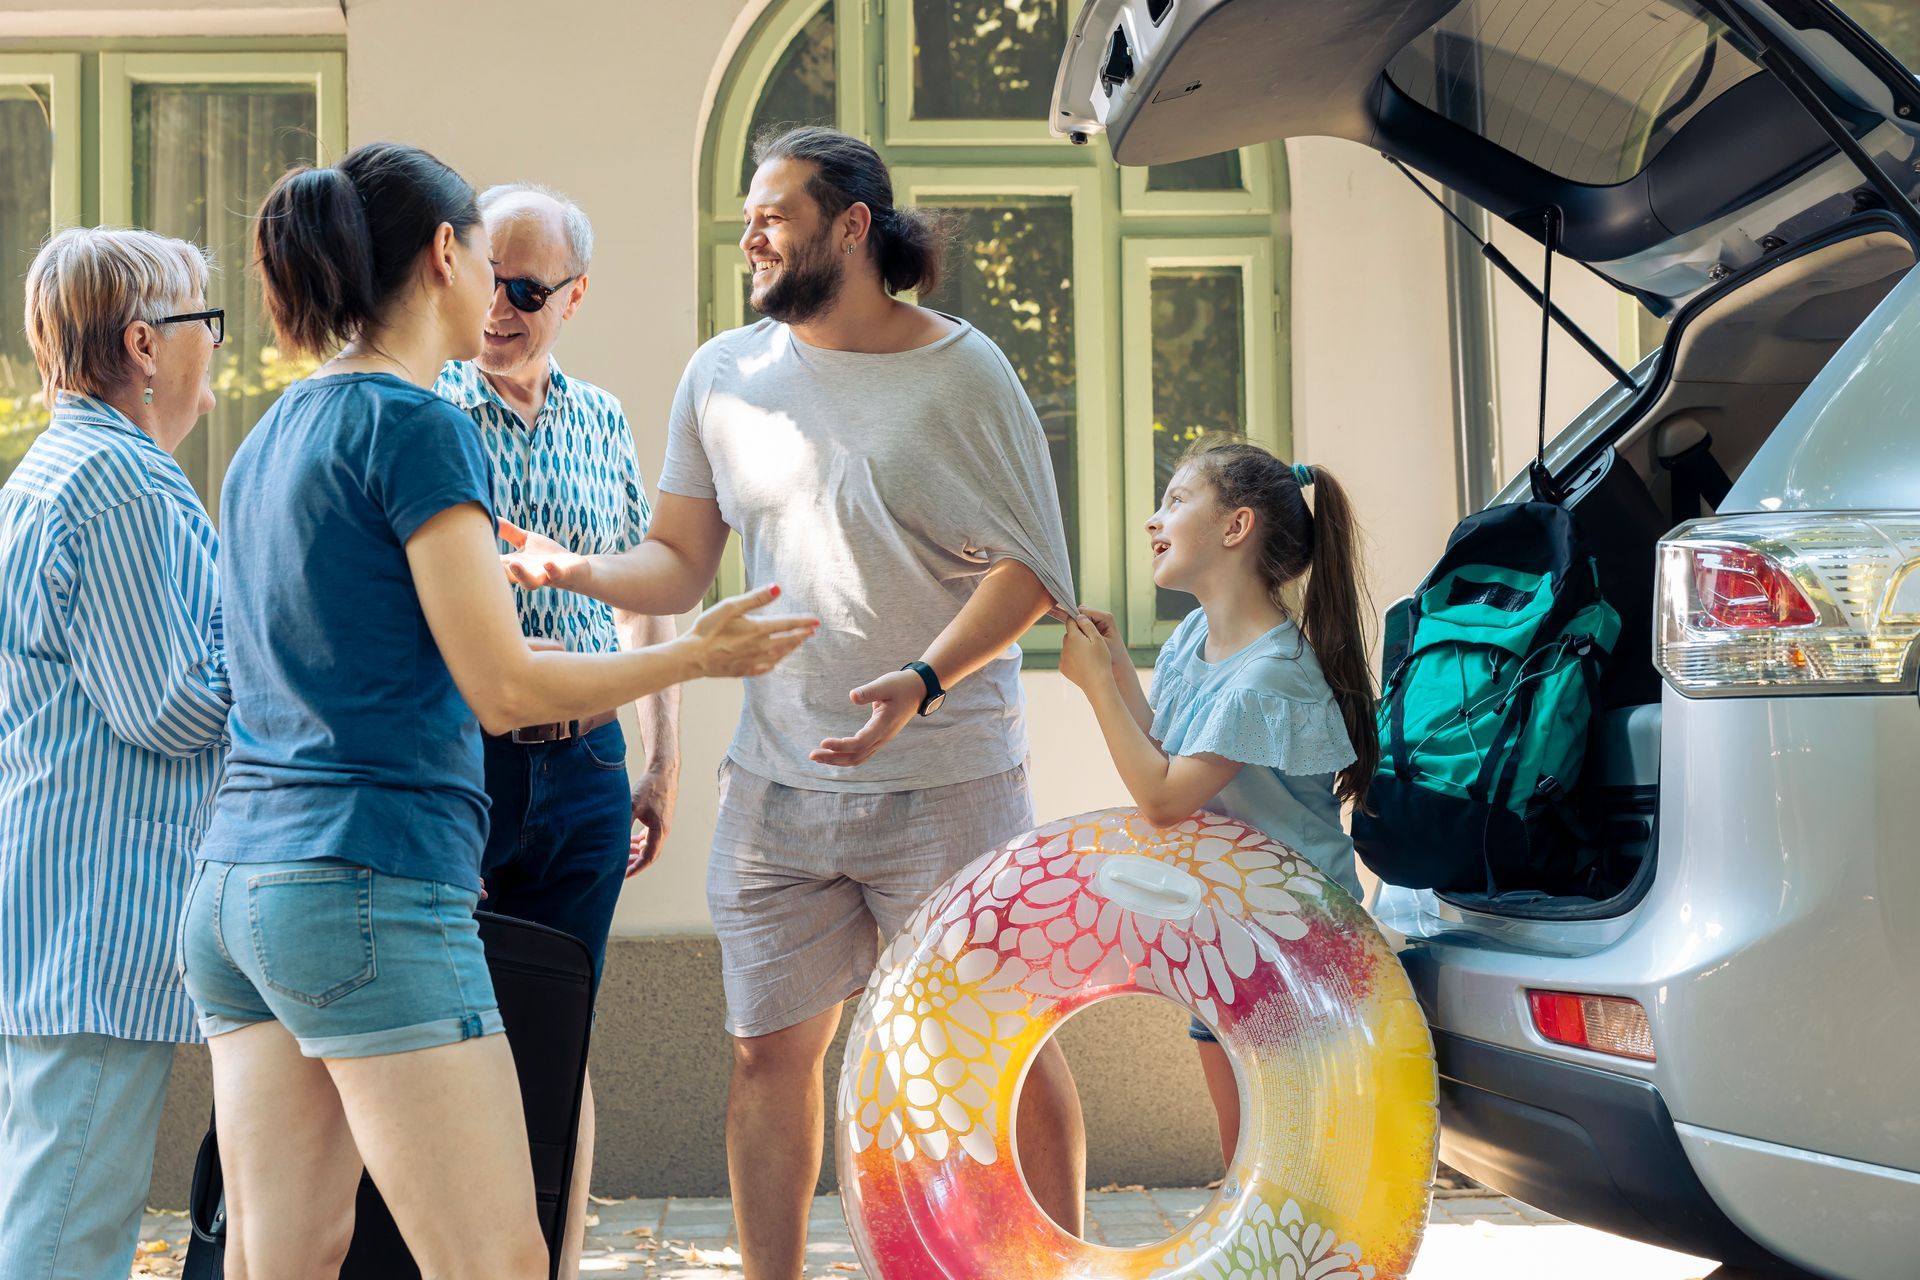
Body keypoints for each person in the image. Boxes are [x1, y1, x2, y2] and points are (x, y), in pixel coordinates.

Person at [179, 142, 815, 1280]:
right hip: (369, 885)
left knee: (285, 1252)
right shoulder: (421, 426)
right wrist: (696, 657)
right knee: (498, 1258)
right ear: (443, 255)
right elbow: (504, 683)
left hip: (236, 894)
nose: (495, 286)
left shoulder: (269, 433)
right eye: (485, 255)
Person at [497, 124, 1088, 1277]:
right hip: (778, 783)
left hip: (948, 776)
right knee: (768, 1054)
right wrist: (574, 569)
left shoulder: (964, 371)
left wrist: (922, 683)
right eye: (748, 217)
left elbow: (1033, 574)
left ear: (853, 227)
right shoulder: (723, 372)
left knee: (998, 1046)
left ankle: (1061, 1262)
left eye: (774, 214)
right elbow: (676, 558)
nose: (752, 236)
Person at [433, 181, 677, 1274]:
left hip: (586, 766)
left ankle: (554, 1261)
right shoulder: (427, 408)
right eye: (489, 277)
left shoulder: (604, 417)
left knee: (560, 1029)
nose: (500, 306)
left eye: (528, 288)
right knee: (455, 1035)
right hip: (465, 761)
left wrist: (658, 760)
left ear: (578, 294)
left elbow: (639, 594)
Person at [0, 227, 230, 1280]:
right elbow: (173, 704)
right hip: (96, 914)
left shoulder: (54, 468)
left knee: (50, 1189)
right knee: (64, 1228)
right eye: (202, 323)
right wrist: (297, 650)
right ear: (144, 343)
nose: (215, 348)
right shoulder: (123, 483)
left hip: (61, 903)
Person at [1057, 438, 1379, 1165]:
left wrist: (1097, 688)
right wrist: (1117, 672)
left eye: (1175, 501)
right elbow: (1165, 757)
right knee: (1246, 1172)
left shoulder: (1271, 672)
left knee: (1295, 1165)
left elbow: (1164, 800)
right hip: (1233, 932)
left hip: (1301, 946)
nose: (1152, 520)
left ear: (1236, 528)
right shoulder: (1194, 640)